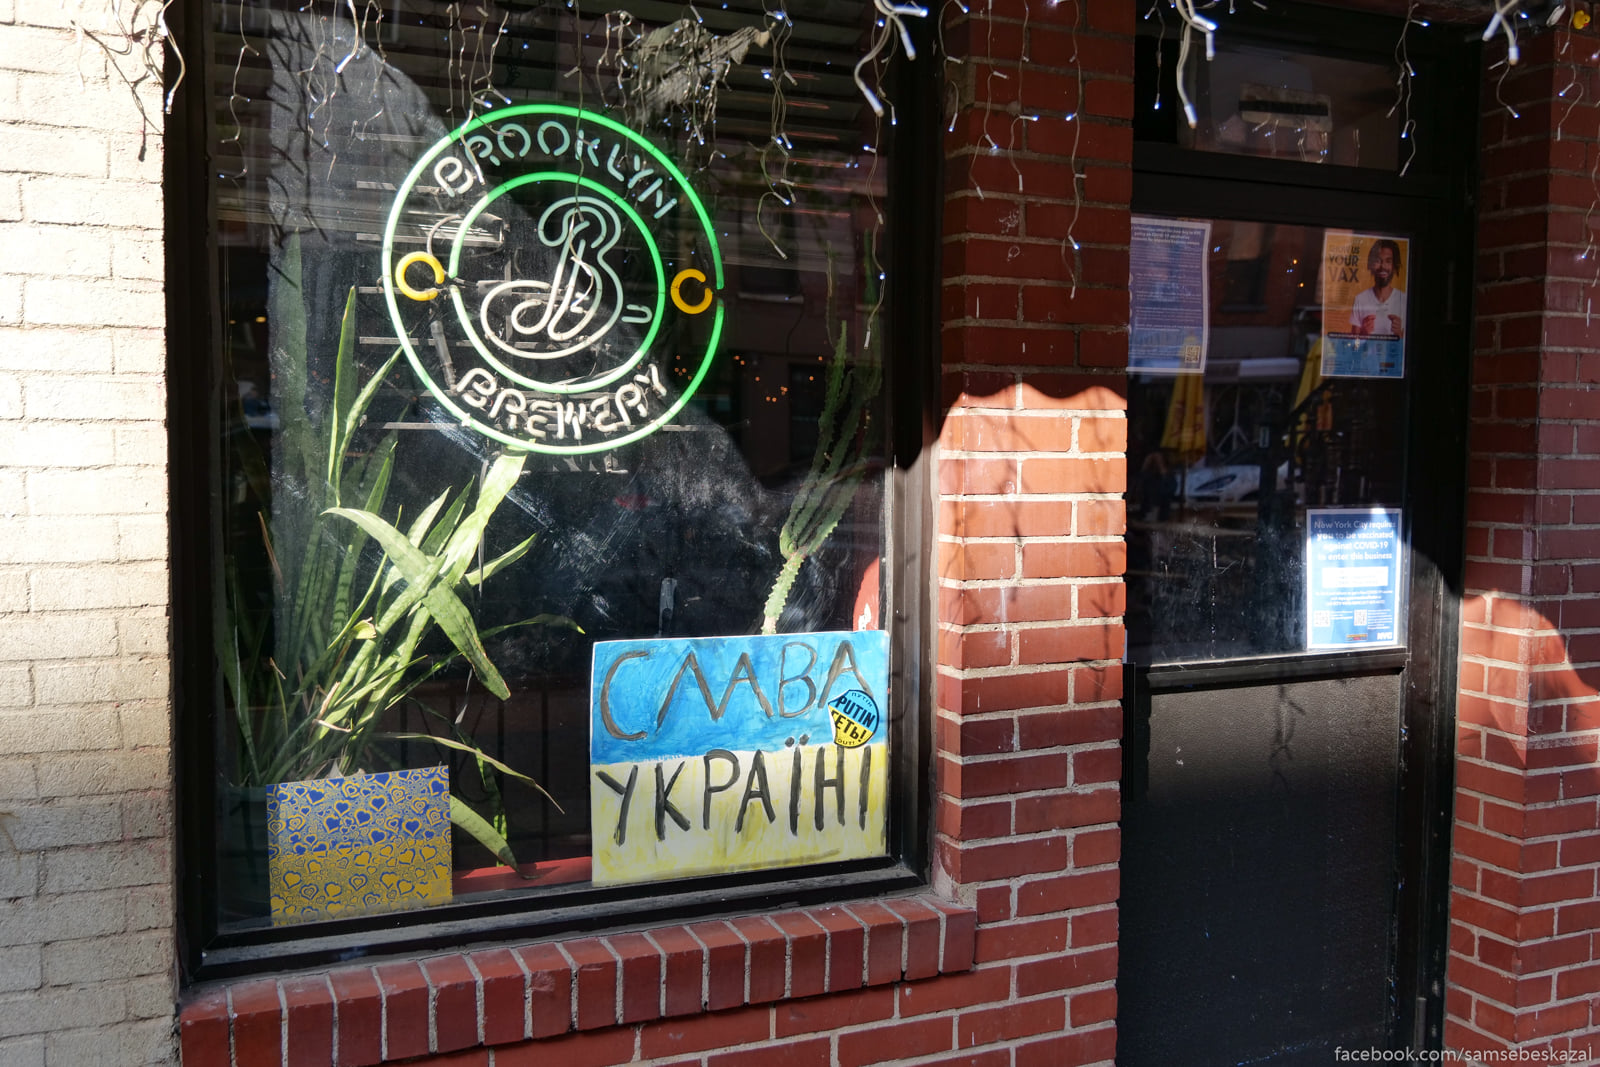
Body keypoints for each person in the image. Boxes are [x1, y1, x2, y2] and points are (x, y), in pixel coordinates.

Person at [1349, 239, 1405, 338]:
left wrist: (1399, 335)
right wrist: (1363, 334)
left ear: (1394, 266)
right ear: (1371, 264)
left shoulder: (1404, 300)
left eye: (1388, 261)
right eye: (1378, 261)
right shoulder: (1360, 299)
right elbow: (1353, 344)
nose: (1383, 266)